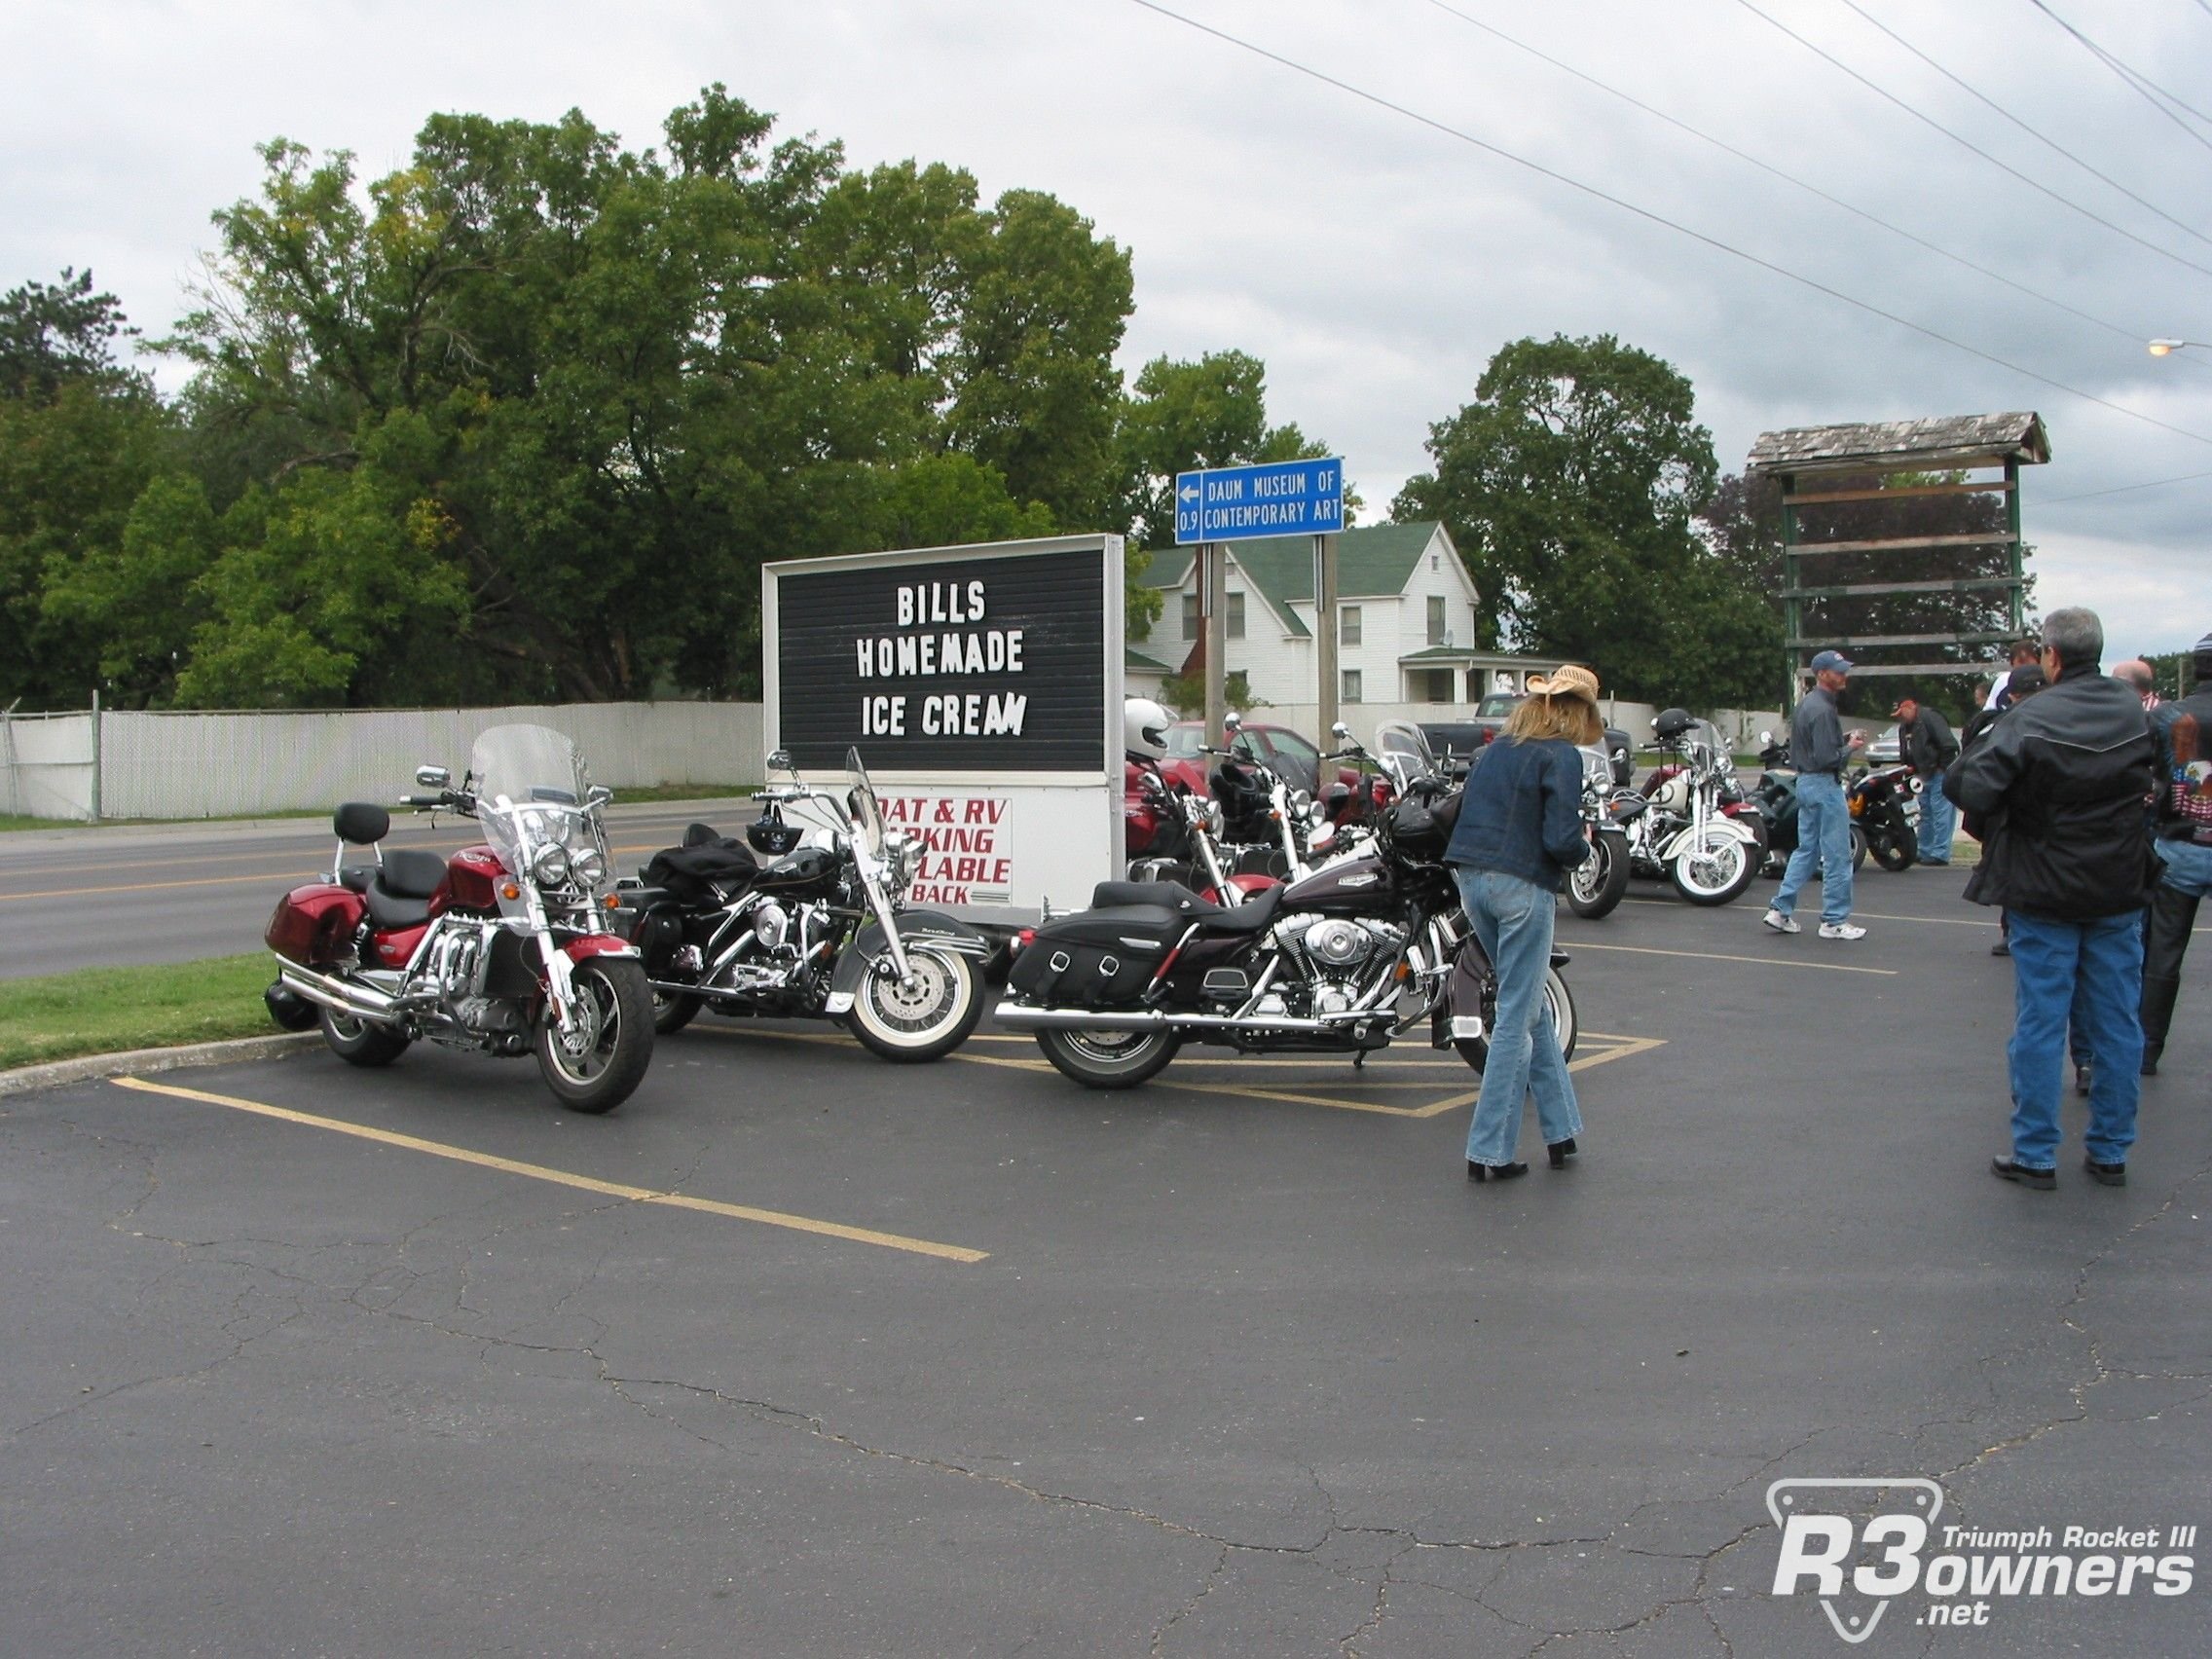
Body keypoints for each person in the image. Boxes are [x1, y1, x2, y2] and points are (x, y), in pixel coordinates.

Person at [1945, 608, 2157, 1190]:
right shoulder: (2134, 710)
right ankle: (2112, 1150)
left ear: (2052, 657)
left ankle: (2037, 1153)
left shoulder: (2029, 716)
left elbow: (1966, 784)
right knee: (2117, 1022)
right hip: (2117, 883)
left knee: (2041, 1021)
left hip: (2043, 885)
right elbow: (2161, 777)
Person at [1444, 663, 1598, 1183]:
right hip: (1523, 885)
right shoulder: (1563, 755)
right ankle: (1489, 1151)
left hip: (1470, 879)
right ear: (1576, 715)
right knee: (1515, 1014)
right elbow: (1560, 840)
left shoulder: (1495, 751)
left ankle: (1561, 1131)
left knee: (1527, 1007)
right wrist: (1585, 851)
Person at [2139, 632, 2212, 1076]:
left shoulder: (2167, 716)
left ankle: (2147, 1048)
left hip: (2180, 843)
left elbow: (2143, 773)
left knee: (2162, 953)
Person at [1763, 649, 1868, 940]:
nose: (1843, 675)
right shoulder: (1823, 709)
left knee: (1806, 850)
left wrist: (1843, 743)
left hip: (1806, 784)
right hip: (1823, 784)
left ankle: (1780, 909)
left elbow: (1815, 748)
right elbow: (1826, 758)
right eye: (1838, 671)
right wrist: (1851, 747)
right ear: (1821, 673)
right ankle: (1834, 921)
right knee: (1837, 855)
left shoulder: (1808, 704)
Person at [1894, 696, 1959, 866]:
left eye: (1902, 713)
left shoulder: (1930, 718)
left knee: (1941, 813)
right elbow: (1905, 754)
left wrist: (1943, 767)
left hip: (1938, 773)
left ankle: (1940, 853)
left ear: (1910, 707)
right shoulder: (1904, 728)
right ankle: (1924, 850)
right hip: (1921, 775)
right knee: (1924, 814)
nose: (1900, 718)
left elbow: (1949, 744)